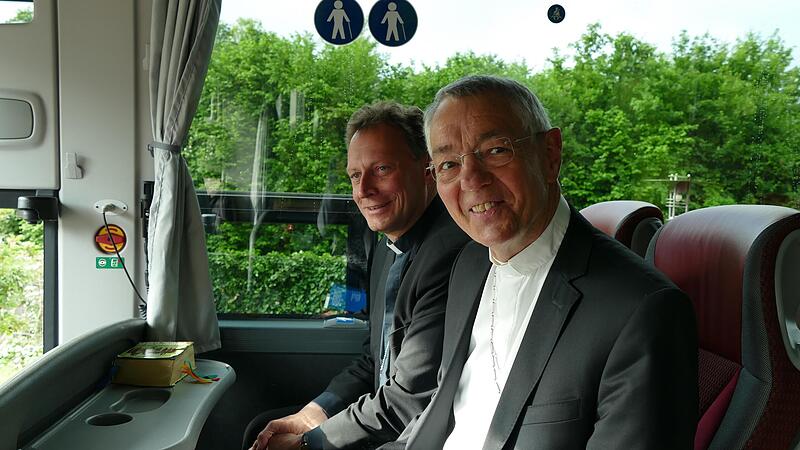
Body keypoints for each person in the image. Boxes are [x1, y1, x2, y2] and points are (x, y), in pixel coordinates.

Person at [389, 75, 698, 449]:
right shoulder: (468, 265)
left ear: (551, 154)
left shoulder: (642, 311)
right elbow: (443, 419)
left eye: (496, 150)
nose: (470, 179)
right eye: (448, 164)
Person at [244, 101, 470, 450]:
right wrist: (315, 413)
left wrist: (310, 443)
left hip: (417, 433)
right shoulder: (386, 246)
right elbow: (374, 359)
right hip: (386, 411)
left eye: (381, 169)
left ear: (428, 169)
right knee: (261, 427)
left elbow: (410, 399)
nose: (363, 190)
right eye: (354, 175)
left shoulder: (451, 254)